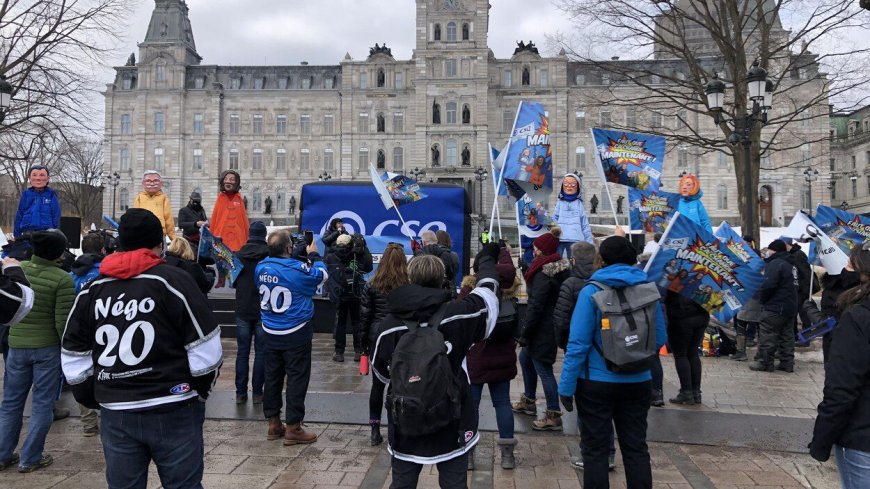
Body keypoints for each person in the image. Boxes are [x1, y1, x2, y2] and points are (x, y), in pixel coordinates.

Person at [61, 208, 222, 489]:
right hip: (172, 404)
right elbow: (206, 347)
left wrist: (94, 395)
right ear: (159, 244)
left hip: (117, 407)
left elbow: (73, 353)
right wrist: (197, 390)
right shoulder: (174, 281)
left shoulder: (92, 288)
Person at [371, 245, 501, 488]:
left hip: (406, 419)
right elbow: (489, 295)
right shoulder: (460, 314)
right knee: (454, 482)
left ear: (410, 278)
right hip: (451, 417)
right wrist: (487, 260)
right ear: (442, 279)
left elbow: (380, 372)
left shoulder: (388, 325)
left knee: (402, 482)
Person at [558, 236, 667, 489]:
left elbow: (578, 344)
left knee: (595, 451)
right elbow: (659, 337)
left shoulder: (591, 291)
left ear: (602, 260)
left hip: (596, 381)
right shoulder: (649, 289)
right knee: (636, 448)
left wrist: (566, 386)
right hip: (638, 380)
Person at [0, 230, 74, 473]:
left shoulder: (18, 270)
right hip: (46, 349)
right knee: (43, 404)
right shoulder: (62, 279)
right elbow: (62, 323)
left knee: (11, 402)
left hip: (17, 346)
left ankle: (2, 454)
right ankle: (30, 457)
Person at [256, 230, 327, 445]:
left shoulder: (260, 267)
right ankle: (294, 427)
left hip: (270, 329)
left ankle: (273, 422)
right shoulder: (297, 269)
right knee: (297, 378)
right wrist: (314, 255)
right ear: (288, 248)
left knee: (273, 377)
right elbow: (321, 275)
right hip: (295, 330)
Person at [809, 244, 870, 488]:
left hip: (862, 436)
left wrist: (821, 440)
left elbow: (842, 388)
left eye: (849, 264)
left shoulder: (858, 317)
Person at [466, 244, 519, 470]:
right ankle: (507, 455)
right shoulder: (512, 290)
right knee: (503, 404)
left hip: (477, 356)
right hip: (503, 356)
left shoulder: (472, 288)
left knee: (471, 406)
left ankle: (468, 454)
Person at [512, 227, 570, 431]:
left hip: (542, 329)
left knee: (543, 369)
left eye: (536, 248)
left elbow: (536, 305)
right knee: (525, 359)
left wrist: (525, 333)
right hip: (546, 326)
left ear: (543, 251)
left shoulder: (543, 274)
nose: (534, 251)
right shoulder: (552, 269)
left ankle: (553, 413)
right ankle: (528, 400)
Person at [359, 243, 409, 446]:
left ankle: (374, 429)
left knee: (377, 385)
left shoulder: (371, 284)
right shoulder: (407, 286)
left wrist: (363, 345)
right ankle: (395, 428)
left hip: (377, 337)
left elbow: (364, 318)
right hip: (401, 337)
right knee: (399, 384)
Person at [232, 221, 270, 405]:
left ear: (249, 234)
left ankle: (240, 393)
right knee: (261, 352)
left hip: (243, 308)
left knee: (242, 352)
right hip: (263, 308)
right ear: (264, 235)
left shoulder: (238, 255)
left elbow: (234, 281)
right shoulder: (270, 255)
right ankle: (257, 393)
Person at [750, 240, 799, 373]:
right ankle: (787, 363)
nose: (767, 253)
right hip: (790, 306)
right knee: (787, 336)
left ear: (774, 251)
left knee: (768, 335)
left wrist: (763, 300)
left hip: (776, 306)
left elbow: (769, 285)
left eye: (769, 250)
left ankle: (765, 363)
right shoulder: (791, 264)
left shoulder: (776, 263)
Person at [325, 233, 373, 362]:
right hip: (355, 293)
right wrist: (363, 247)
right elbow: (369, 267)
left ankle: (339, 352)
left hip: (339, 294)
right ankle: (358, 351)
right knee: (357, 322)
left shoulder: (331, 256)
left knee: (340, 324)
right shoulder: (356, 255)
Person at [664, 285, 710, 405]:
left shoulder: (677, 276)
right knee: (693, 353)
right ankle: (696, 393)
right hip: (701, 315)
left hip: (681, 317)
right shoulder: (704, 277)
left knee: (681, 355)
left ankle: (686, 392)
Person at [781, 237, 817, 346]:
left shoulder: (798, 255)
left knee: (804, 315)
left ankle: (806, 339)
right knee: (793, 314)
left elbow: (806, 274)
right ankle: (795, 336)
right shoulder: (790, 254)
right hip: (795, 290)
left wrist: (805, 291)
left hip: (801, 291)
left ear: (787, 244)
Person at [14, 165, 61, 239]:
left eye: (42, 175)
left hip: (47, 232)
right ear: (29, 178)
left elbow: (56, 214)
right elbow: (20, 213)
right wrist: (17, 234)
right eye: (34, 175)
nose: (38, 178)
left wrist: (56, 232)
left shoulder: (51, 194)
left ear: (48, 178)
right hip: (28, 231)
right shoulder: (26, 194)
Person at [553, 174, 593, 259]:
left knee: (574, 263)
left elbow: (584, 224)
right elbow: (554, 218)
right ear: (562, 186)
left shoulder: (579, 203)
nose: (569, 187)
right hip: (560, 238)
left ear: (577, 186)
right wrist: (553, 233)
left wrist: (589, 242)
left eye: (573, 184)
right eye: (566, 184)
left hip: (575, 239)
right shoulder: (560, 202)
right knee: (559, 262)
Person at [211, 170, 249, 252]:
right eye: (226, 179)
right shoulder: (220, 199)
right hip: (221, 241)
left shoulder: (239, 200)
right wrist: (211, 238)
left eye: (232, 179)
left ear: (236, 182)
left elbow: (244, 221)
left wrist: (247, 238)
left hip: (238, 242)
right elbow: (215, 220)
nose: (228, 181)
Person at [132, 170, 176, 239]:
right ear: (143, 183)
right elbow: (134, 217)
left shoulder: (163, 198)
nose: (152, 184)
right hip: (142, 234)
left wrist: (173, 237)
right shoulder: (139, 197)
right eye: (148, 181)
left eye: (155, 181)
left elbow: (168, 218)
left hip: (159, 234)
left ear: (161, 184)